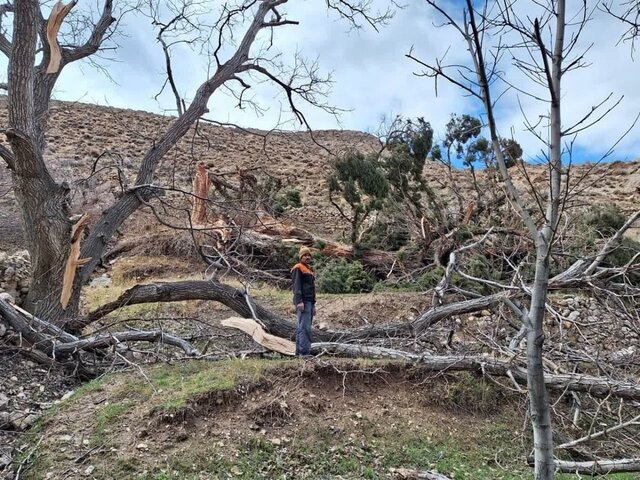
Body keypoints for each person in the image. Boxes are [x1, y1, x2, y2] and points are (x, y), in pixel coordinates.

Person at [291, 246, 316, 356]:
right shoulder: (298, 268)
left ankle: (298, 352)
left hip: (309, 301)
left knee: (303, 326)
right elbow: (296, 287)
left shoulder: (309, 270)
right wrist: (299, 301)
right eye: (304, 255)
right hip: (303, 301)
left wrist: (314, 304)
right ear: (300, 257)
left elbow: (312, 289)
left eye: (308, 255)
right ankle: (304, 352)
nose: (307, 257)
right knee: (304, 327)